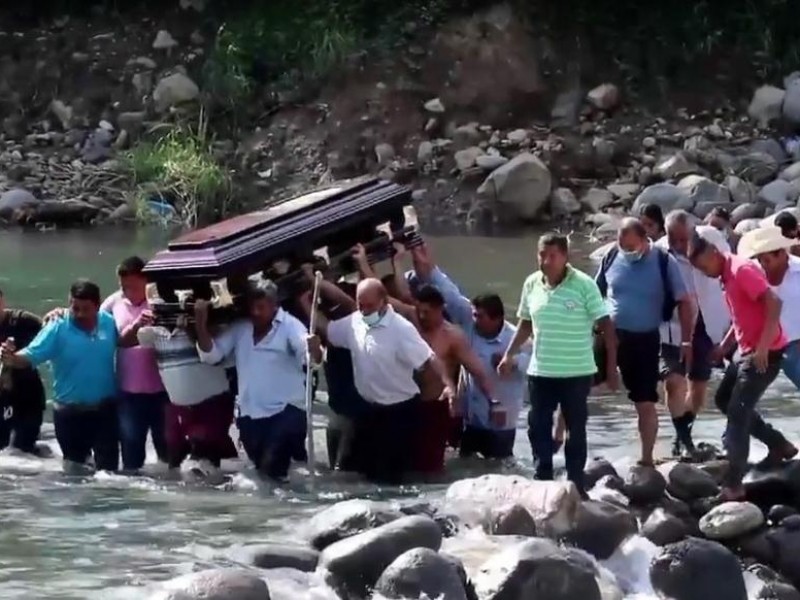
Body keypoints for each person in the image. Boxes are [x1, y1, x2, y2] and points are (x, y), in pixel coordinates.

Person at [303, 278, 456, 484]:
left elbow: (430, 358)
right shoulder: (355, 321)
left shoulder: (401, 329)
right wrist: (304, 304)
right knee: (350, 469)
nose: (365, 312)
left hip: (399, 411)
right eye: (360, 305)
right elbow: (328, 329)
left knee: (390, 475)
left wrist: (448, 384)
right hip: (368, 409)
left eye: (370, 306)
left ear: (384, 302)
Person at [499, 233, 618, 495]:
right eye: (542, 254)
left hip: (577, 371)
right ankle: (542, 478)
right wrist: (509, 353)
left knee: (576, 429)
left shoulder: (584, 285)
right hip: (541, 370)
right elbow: (525, 322)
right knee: (537, 426)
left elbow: (607, 328)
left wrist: (611, 369)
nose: (546, 260)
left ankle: (575, 483)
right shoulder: (531, 284)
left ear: (565, 257)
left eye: (553, 255)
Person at [689, 230, 797, 501]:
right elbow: (743, 315)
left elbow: (774, 303)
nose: (706, 273)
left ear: (714, 254)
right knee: (725, 399)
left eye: (705, 267)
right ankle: (779, 444)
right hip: (746, 350)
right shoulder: (726, 274)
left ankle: (734, 486)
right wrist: (725, 346)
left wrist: (762, 347)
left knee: (738, 412)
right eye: (700, 270)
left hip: (765, 353)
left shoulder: (741, 270)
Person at [195, 281, 323, 482]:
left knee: (271, 469)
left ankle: (290, 506)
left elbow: (310, 358)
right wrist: (200, 325)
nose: (255, 312)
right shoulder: (241, 329)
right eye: (252, 307)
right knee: (262, 473)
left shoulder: (290, 326)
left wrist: (314, 348)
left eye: (261, 307)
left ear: (274, 306)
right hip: (250, 415)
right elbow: (211, 356)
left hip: (286, 412)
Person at [410, 244, 530, 460]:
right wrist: (426, 265)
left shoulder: (516, 338)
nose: (473, 319)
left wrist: (514, 362)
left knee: (499, 466)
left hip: (500, 420)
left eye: (479, 316)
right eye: (474, 314)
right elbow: (449, 293)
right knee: (465, 463)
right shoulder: (468, 321)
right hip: (469, 417)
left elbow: (537, 365)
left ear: (496, 319)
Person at [596, 217, 692, 466]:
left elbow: (683, 301)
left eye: (630, 247)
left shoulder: (663, 261)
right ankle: (560, 440)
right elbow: (595, 293)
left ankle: (647, 459)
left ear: (644, 241)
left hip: (645, 339)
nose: (625, 252)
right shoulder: (611, 256)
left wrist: (686, 342)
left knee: (645, 401)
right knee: (575, 385)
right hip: (609, 334)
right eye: (621, 246)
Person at [0, 280, 122, 471]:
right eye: (75, 308)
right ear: (69, 304)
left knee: (109, 472)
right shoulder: (57, 328)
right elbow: (29, 356)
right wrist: (10, 358)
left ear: (97, 306)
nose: (79, 314)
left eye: (85, 309)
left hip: (105, 411)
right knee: (76, 473)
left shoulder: (109, 322)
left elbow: (127, 343)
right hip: (70, 414)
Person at [655, 212, 731, 457]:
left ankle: (682, 435)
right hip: (672, 324)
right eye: (672, 239)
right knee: (672, 382)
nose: (677, 245)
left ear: (693, 231)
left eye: (682, 239)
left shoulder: (712, 238)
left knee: (698, 386)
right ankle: (685, 441)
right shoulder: (658, 252)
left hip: (707, 321)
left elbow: (729, 271)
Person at [137, 316, 239, 479]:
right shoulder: (151, 333)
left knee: (207, 463)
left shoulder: (215, 329)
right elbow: (135, 338)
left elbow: (215, 351)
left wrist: (197, 325)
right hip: (178, 407)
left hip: (212, 406)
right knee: (175, 466)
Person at [100, 257, 169, 472]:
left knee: (169, 457)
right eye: (122, 285)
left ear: (145, 280)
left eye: (130, 286)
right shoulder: (113, 303)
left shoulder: (163, 300)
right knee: (131, 457)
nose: (125, 290)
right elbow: (90, 324)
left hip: (164, 391)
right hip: (129, 392)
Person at [739, 226, 800, 390]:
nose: (762, 265)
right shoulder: (754, 273)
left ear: (781, 254)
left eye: (767, 260)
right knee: (734, 394)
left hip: (794, 347)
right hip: (762, 345)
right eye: (759, 260)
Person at [0, 290, 46, 455]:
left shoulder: (24, 321)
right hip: (3, 399)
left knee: (22, 449)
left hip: (28, 397)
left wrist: (57, 315)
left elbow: (54, 333)